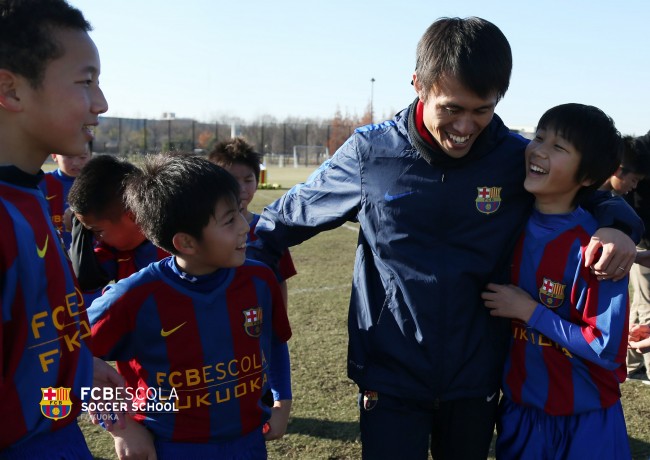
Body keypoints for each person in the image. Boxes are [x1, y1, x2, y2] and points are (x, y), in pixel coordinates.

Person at [248, 17, 642, 459]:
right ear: (419, 84)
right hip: (391, 376)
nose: (466, 126)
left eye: (482, 109)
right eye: (451, 108)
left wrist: (618, 225)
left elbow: (579, 192)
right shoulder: (372, 154)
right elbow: (275, 226)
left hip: (477, 377)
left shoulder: (513, 157)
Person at [87, 153, 292, 459]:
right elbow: (64, 359)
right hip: (172, 448)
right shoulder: (133, 297)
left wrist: (281, 403)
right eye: (229, 220)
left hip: (249, 442)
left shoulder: (260, 280)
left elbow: (274, 342)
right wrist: (122, 426)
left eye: (240, 212)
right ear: (186, 243)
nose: (243, 227)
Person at [0, 0, 125, 457]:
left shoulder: (30, 193)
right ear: (11, 91)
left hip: (60, 431)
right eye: (85, 81)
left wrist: (80, 369)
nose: (102, 102)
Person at [482, 103, 631, 459]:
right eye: (539, 137)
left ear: (588, 177)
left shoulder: (599, 248)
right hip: (520, 414)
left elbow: (606, 348)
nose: (537, 150)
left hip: (587, 419)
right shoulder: (506, 228)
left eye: (558, 147)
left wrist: (529, 311)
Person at [208, 137, 298, 309]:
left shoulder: (270, 229)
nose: (241, 188)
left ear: (257, 182)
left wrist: (280, 325)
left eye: (248, 180)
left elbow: (279, 280)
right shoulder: (206, 231)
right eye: (233, 180)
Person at [67, 154, 169, 296]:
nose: (97, 239)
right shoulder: (114, 251)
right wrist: (78, 224)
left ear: (133, 216)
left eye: (97, 230)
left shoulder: (176, 243)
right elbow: (85, 280)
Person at [623, 132, 650, 382]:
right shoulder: (640, 151)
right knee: (646, 303)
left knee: (641, 302)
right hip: (642, 241)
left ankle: (632, 363)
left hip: (638, 243)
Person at [38, 149, 91, 250]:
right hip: (52, 252)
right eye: (69, 157)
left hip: (87, 253)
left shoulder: (99, 184)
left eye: (82, 157)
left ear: (90, 156)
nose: (76, 163)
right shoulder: (40, 184)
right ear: (54, 156)